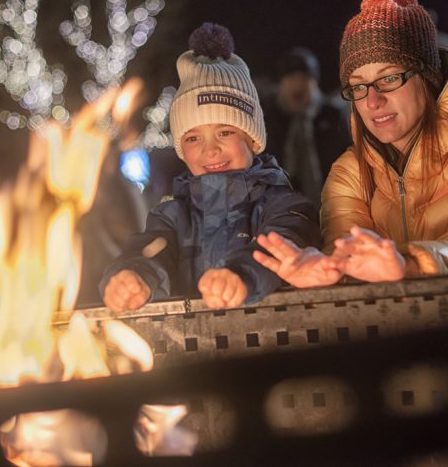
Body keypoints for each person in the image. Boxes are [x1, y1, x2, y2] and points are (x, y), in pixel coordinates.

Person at [253, 0, 448, 286]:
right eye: (358, 86)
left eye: (388, 79)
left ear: (427, 77)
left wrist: (410, 265)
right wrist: (328, 271)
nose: (372, 101)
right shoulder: (349, 172)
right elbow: (344, 258)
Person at [99, 23, 320, 311]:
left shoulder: (282, 204)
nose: (210, 149)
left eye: (225, 132)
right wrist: (134, 276)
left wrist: (240, 276)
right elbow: (150, 252)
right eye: (192, 138)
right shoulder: (172, 216)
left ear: (253, 139)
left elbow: (285, 242)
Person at [261, 47, 350, 208]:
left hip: (327, 206)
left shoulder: (333, 118)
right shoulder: (267, 119)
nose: (298, 85)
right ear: (281, 83)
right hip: (278, 208)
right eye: (291, 78)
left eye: (304, 78)